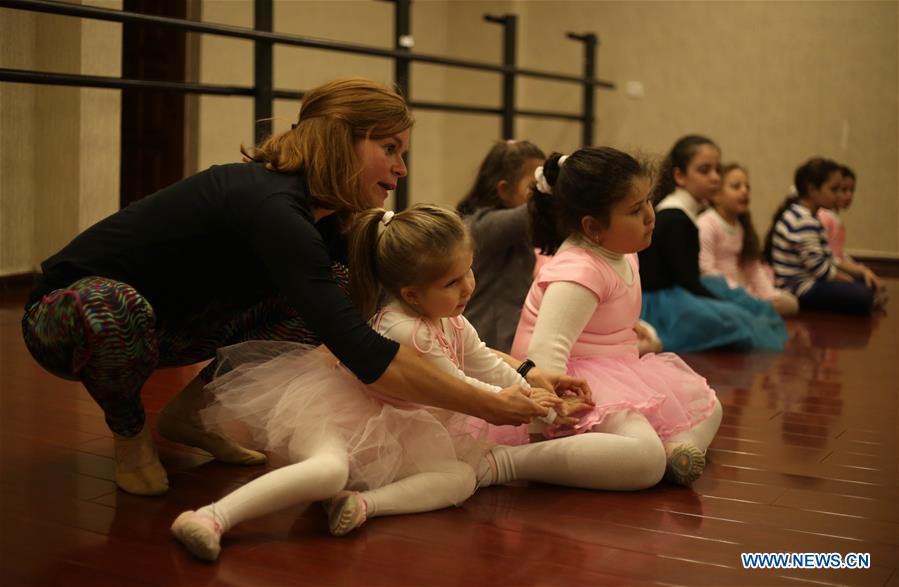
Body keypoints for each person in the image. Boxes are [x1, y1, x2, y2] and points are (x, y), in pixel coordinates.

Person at [21, 78, 549, 498]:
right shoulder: (271, 206)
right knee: (112, 307)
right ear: (344, 140)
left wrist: (522, 374)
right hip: (65, 319)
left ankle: (187, 416)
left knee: (343, 289)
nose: (401, 168)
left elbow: (411, 325)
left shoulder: (324, 216)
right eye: (389, 148)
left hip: (171, 327)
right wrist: (489, 405)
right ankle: (131, 432)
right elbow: (365, 353)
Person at [170, 205, 582, 561]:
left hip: (401, 429)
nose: (468, 287)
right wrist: (526, 403)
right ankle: (211, 517)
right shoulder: (403, 328)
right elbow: (458, 384)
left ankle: (363, 504)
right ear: (411, 294)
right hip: (340, 416)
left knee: (461, 478)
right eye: (451, 282)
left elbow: (486, 364)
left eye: (468, 271)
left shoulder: (450, 319)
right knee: (329, 470)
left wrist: (535, 394)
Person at [509, 147, 723, 487]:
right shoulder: (578, 270)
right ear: (593, 226)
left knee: (710, 406)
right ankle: (509, 462)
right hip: (570, 388)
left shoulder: (622, 251)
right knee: (643, 457)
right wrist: (546, 425)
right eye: (636, 210)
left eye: (649, 201)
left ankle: (673, 451)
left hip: (615, 372)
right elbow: (544, 356)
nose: (651, 216)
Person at [638, 135, 788, 353]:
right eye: (705, 170)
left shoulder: (685, 214)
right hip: (660, 302)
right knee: (736, 319)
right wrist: (722, 304)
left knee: (737, 303)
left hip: (675, 291)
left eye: (717, 170)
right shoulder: (675, 217)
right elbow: (686, 281)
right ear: (680, 176)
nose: (715, 177)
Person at [457, 140, 546, 352]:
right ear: (504, 190)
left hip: (505, 343)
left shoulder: (518, 234)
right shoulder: (481, 226)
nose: (541, 193)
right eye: (535, 186)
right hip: (485, 344)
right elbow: (535, 212)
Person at [763, 158, 882, 314]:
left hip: (812, 281)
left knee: (864, 284)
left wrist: (860, 272)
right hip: (800, 288)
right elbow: (820, 269)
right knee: (863, 294)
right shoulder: (803, 220)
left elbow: (828, 257)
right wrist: (849, 281)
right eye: (834, 189)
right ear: (812, 189)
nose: (838, 195)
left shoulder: (811, 217)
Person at [697, 163, 799, 316]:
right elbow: (706, 270)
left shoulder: (741, 226)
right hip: (720, 293)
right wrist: (740, 294)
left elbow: (753, 268)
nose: (744, 191)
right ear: (716, 196)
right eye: (736, 186)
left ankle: (757, 310)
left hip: (743, 292)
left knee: (791, 304)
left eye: (747, 187)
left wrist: (770, 295)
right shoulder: (706, 223)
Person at [816, 165, 885, 297]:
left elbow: (839, 254)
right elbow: (831, 258)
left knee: (875, 285)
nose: (849, 196)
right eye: (842, 190)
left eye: (852, 190)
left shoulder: (833, 218)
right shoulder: (825, 217)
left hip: (836, 267)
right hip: (828, 271)